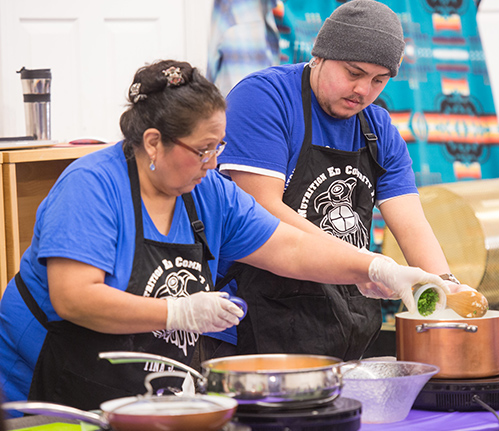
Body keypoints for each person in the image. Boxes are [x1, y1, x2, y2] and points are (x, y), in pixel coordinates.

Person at [0, 59, 446, 414]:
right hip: (48, 388)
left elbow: (288, 247)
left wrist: (375, 267)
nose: (214, 162)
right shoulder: (92, 187)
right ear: (153, 143)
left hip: (142, 392)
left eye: (219, 147)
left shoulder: (209, 192)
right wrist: (178, 312)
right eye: (202, 150)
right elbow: (73, 298)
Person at [216, 0, 473, 360]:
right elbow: (262, 211)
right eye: (354, 73)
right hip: (252, 322)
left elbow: (413, 225)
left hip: (339, 325)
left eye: (378, 80)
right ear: (319, 55)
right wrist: (368, 265)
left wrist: (449, 291)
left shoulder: (379, 129)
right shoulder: (265, 99)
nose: (363, 91)